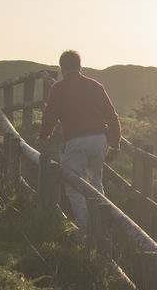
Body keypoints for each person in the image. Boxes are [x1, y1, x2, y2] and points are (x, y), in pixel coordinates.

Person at [38, 49, 121, 237]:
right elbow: (112, 117)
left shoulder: (59, 88)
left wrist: (44, 136)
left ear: (61, 68)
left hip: (75, 141)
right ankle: (101, 230)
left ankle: (84, 233)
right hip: (99, 140)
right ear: (80, 66)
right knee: (96, 183)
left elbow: (49, 116)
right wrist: (115, 144)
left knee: (75, 186)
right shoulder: (96, 86)